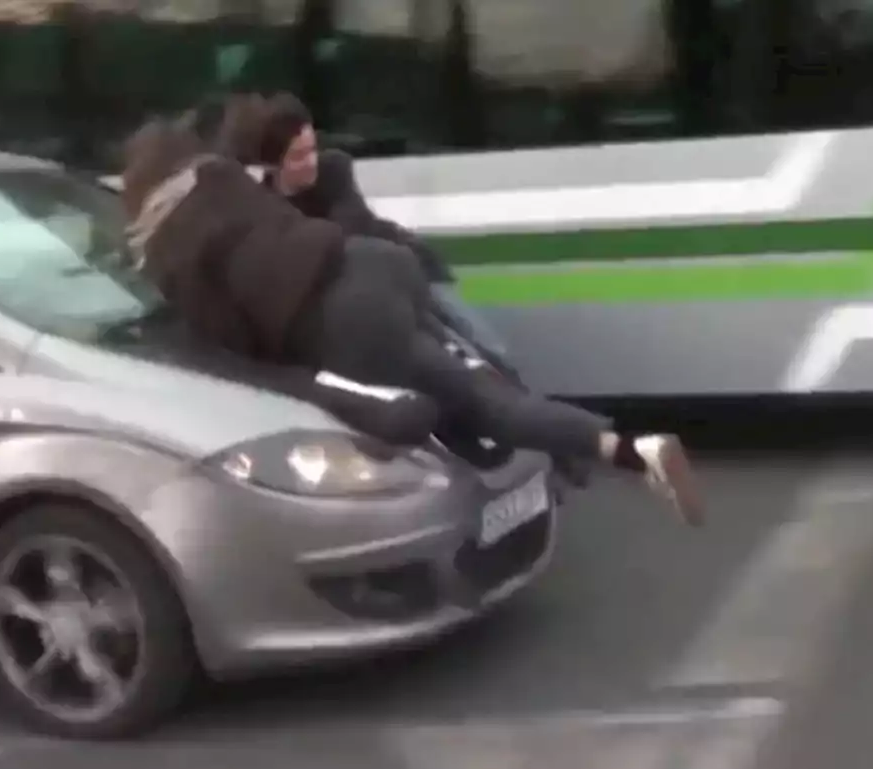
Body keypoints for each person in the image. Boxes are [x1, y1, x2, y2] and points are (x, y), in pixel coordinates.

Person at [119, 110, 705, 526]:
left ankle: (624, 456)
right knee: (477, 395)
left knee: (473, 409)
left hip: (345, 321)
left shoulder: (172, 258)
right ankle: (608, 455)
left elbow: (245, 359)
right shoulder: (218, 178)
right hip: (379, 267)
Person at [243, 91, 522, 381]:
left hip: (413, 267)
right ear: (272, 163)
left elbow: (347, 229)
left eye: (312, 149)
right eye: (299, 156)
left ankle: (517, 392)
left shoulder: (334, 169)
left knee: (485, 346)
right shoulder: (266, 207)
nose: (311, 161)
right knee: (447, 363)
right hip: (375, 296)